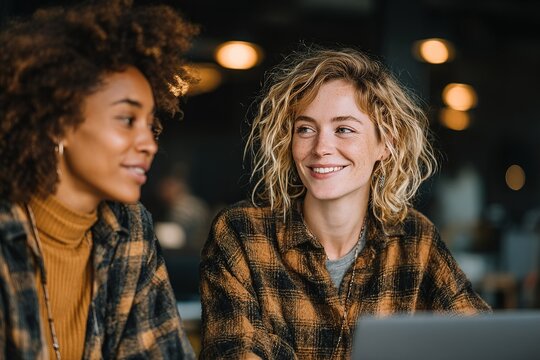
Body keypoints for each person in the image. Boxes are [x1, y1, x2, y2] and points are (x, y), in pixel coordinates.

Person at [199, 47, 491, 359]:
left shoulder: (414, 237)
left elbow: (483, 343)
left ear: (386, 143)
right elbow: (232, 351)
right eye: (306, 129)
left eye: (344, 129)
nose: (321, 147)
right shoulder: (243, 233)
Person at [0, 1, 198, 358]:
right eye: (126, 119)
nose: (149, 144)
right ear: (59, 122)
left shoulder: (130, 229)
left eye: (150, 125)